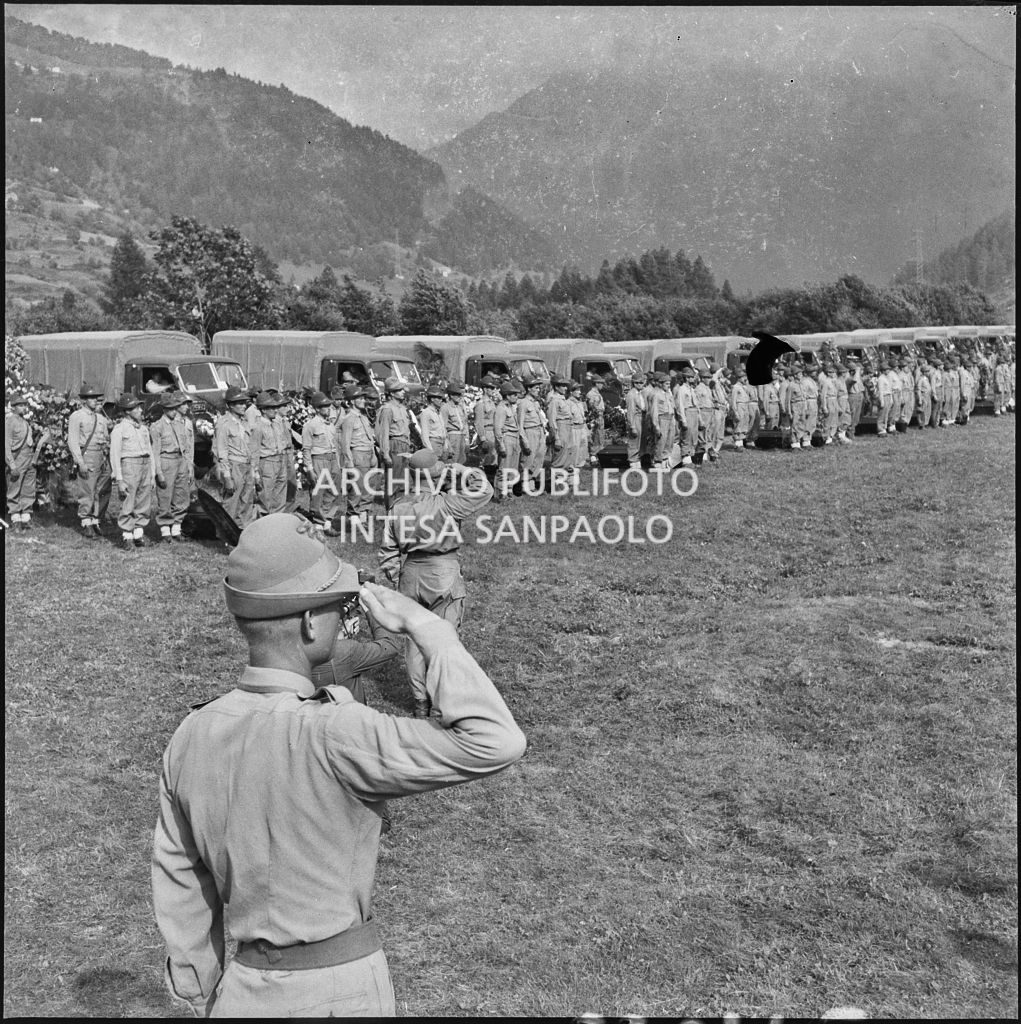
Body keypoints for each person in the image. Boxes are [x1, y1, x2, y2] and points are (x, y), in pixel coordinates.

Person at [152, 512, 525, 1018]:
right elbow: (496, 740)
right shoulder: (338, 730)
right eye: (337, 606)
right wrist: (428, 627)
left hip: (241, 992)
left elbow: (182, 881)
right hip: (341, 993)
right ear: (310, 622)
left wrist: (203, 993)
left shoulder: (190, 735)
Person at [378, 450, 495, 719]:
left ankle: (421, 702)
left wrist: (399, 577)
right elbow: (484, 488)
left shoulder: (397, 507)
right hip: (443, 571)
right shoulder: (447, 503)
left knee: (414, 642)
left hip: (411, 573)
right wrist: (458, 469)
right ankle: (442, 700)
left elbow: (388, 551)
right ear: (436, 474)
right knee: (445, 641)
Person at [66, 381, 112, 538]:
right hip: (88, 456)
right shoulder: (76, 417)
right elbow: (72, 441)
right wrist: (80, 462)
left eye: (96, 398)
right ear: (83, 400)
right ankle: (86, 520)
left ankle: (96, 519)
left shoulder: (101, 418)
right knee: (88, 489)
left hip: (102, 456)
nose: (95, 400)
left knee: (103, 489)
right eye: (91, 398)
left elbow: (106, 438)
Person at [109, 392, 153, 548]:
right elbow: (115, 455)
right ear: (127, 411)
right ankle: (127, 536)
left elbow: (150, 452)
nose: (140, 410)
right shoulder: (119, 429)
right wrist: (119, 479)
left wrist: (152, 474)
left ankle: (139, 534)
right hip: (129, 465)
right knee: (129, 500)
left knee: (143, 500)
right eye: (136, 408)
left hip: (144, 465)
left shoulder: (144, 429)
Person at [150, 392, 194, 543]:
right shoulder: (157, 427)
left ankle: (176, 529)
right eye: (170, 409)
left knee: (182, 495)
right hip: (166, 460)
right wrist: (158, 472)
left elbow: (186, 447)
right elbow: (155, 452)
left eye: (175, 408)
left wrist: (189, 466)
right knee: (165, 496)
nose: (174, 411)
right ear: (163, 409)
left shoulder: (180, 425)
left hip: (180, 460)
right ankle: (165, 531)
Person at [213, 387, 258, 529]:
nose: (244, 406)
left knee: (246, 502)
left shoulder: (244, 422)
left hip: (246, 465)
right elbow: (222, 451)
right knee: (231, 503)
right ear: (230, 405)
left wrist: (253, 470)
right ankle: (227, 536)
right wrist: (226, 476)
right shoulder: (224, 423)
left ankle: (243, 534)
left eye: (245, 402)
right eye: (239, 403)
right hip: (234, 466)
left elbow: (250, 447)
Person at [6, 392, 48, 531]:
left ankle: (26, 518)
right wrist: (12, 465)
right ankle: (15, 519)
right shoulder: (10, 422)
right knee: (14, 488)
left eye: (25, 405)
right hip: (17, 459)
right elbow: (6, 445)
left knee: (28, 488)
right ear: (13, 407)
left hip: (29, 458)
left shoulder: (25, 422)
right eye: (21, 405)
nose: (24, 408)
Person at [338, 385, 379, 522]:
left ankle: (364, 512)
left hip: (369, 453)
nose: (363, 400)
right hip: (357, 454)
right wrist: (349, 462)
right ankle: (353, 513)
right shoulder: (349, 418)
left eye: (363, 397)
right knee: (357, 486)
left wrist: (373, 455)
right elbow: (345, 443)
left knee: (369, 485)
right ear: (351, 401)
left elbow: (369, 437)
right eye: (359, 398)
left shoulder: (364, 416)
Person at [301, 391, 340, 529]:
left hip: (332, 458)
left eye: (329, 406)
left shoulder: (330, 424)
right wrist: (309, 469)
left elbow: (335, 444)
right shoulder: (310, 426)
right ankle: (318, 520)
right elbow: (306, 449)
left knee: (333, 489)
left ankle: (328, 518)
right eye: (325, 406)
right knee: (319, 490)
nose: (329, 408)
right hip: (319, 459)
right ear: (317, 409)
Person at [253, 390, 295, 516]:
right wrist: (254, 471)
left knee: (280, 492)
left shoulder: (277, 424)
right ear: (263, 410)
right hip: (267, 462)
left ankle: (277, 521)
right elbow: (254, 450)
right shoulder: (258, 426)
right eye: (271, 408)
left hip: (280, 459)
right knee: (266, 495)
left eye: (276, 408)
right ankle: (264, 523)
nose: (275, 410)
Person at [375, 378, 413, 507]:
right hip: (394, 446)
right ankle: (391, 511)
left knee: (404, 481)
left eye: (402, 389)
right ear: (391, 393)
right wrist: (385, 453)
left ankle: (400, 510)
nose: (403, 392)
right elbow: (384, 432)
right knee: (393, 482)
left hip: (404, 445)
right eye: (399, 390)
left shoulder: (402, 408)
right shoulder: (387, 409)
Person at [493, 380, 523, 498]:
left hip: (514, 437)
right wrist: (501, 445)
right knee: (504, 467)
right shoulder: (501, 408)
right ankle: (500, 492)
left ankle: (509, 490)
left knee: (513, 466)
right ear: (507, 395)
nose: (516, 397)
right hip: (506, 438)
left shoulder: (511, 407)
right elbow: (498, 429)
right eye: (514, 395)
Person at [516, 376, 546, 489]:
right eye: (536, 388)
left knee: (539, 456)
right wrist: (524, 440)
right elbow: (520, 424)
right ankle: (525, 483)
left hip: (539, 430)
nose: (538, 390)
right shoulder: (523, 403)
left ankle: (532, 480)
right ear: (529, 389)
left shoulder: (535, 403)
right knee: (528, 458)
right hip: (529, 432)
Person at [472, 374, 500, 481]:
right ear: (485, 389)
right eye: (491, 388)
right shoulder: (481, 404)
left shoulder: (492, 402)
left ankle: (491, 484)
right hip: (486, 432)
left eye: (494, 388)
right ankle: (484, 484)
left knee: (493, 460)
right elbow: (478, 422)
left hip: (493, 432)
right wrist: (483, 439)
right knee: (487, 460)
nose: (493, 390)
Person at [673, 367, 699, 466]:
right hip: (687, 412)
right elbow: (680, 406)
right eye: (691, 377)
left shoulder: (691, 389)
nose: (693, 379)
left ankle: (690, 457)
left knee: (693, 435)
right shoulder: (681, 390)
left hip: (694, 412)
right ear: (687, 378)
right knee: (686, 436)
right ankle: (685, 459)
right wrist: (683, 420)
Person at [441, 381, 470, 465]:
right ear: (450, 395)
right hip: (452, 436)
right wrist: (447, 443)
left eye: (459, 394)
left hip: (462, 436)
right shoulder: (445, 408)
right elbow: (443, 427)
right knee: (451, 461)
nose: (458, 397)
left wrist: (467, 440)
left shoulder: (460, 407)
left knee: (461, 461)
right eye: (455, 394)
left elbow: (465, 424)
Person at [624, 372, 646, 468]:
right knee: (634, 441)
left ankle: (637, 461)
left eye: (641, 382)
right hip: (635, 418)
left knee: (640, 441)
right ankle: (633, 463)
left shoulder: (640, 393)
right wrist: (632, 426)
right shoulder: (631, 395)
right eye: (638, 383)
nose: (640, 384)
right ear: (634, 383)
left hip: (642, 417)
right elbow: (630, 412)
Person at [585, 374, 606, 466]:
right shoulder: (591, 394)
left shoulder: (597, 393)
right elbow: (591, 408)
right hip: (595, 417)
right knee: (595, 436)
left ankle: (599, 455)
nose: (602, 385)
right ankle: (593, 456)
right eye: (601, 383)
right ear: (596, 383)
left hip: (600, 416)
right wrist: (595, 418)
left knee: (600, 436)